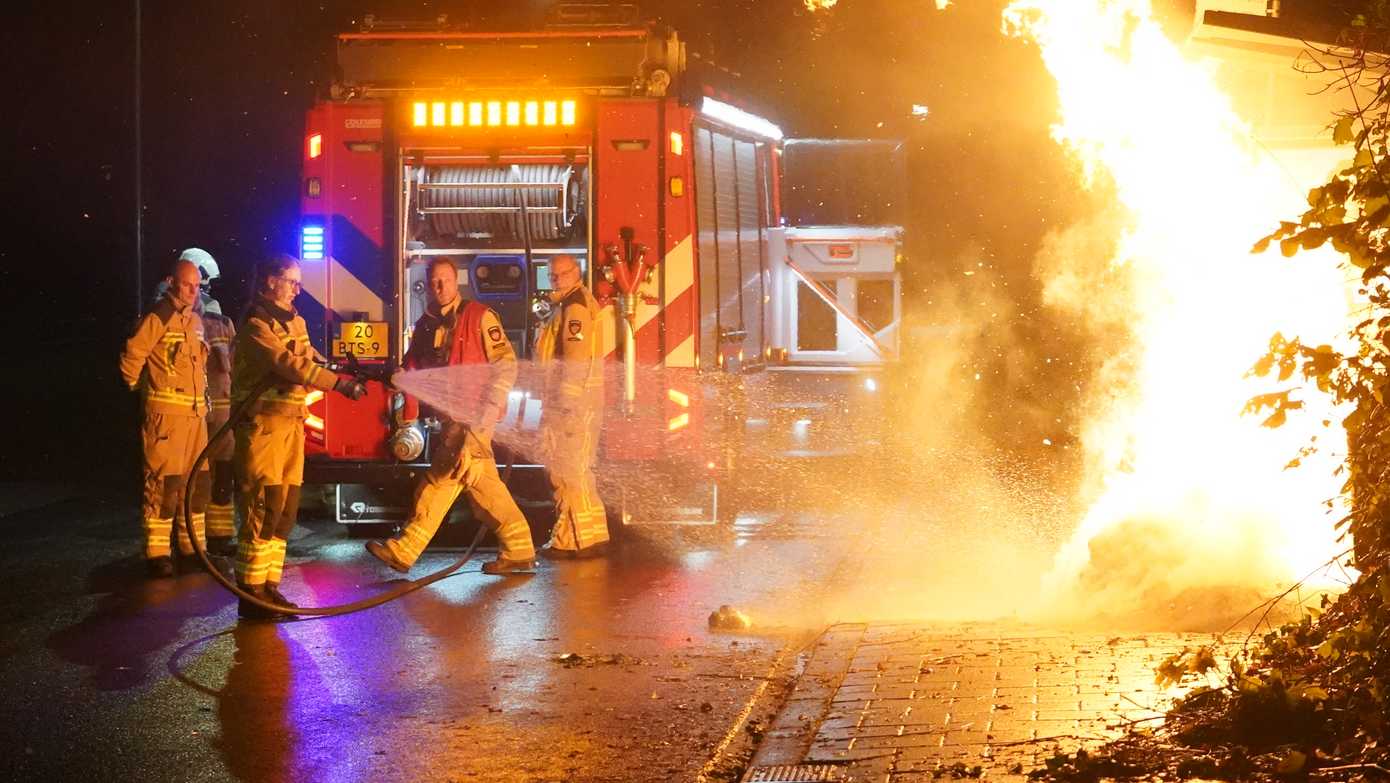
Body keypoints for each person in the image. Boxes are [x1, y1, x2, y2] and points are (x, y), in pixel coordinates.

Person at [366, 258, 536, 575]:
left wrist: (492, 404)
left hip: (474, 417)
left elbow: (505, 363)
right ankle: (520, 548)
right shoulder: (427, 323)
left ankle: (405, 550)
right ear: (429, 285)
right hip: (451, 419)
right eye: (434, 282)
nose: (439, 286)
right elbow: (414, 364)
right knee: (484, 486)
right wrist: (401, 375)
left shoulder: (480, 317)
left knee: (440, 480)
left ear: (455, 280)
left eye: (445, 280)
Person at [231, 254, 366, 620]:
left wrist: (343, 369)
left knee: (284, 510)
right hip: (263, 429)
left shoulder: (296, 322)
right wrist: (338, 384)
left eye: (298, 281)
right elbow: (289, 365)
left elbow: (309, 358)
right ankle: (251, 593)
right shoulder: (257, 325)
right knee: (262, 507)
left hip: (290, 426)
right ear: (270, 282)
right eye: (291, 281)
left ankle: (269, 588)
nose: (297, 288)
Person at [120, 259, 212, 578]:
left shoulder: (196, 321)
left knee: (196, 484)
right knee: (163, 484)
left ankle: (192, 547)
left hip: (195, 418)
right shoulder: (159, 316)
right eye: (187, 284)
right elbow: (132, 356)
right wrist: (143, 391)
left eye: (197, 286)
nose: (192, 291)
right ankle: (158, 553)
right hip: (167, 419)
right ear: (173, 282)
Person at [535, 254, 609, 558]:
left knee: (565, 471)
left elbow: (575, 358)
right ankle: (593, 537)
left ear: (576, 273)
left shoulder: (574, 306)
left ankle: (569, 542)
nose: (556, 280)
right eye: (552, 276)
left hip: (571, 404)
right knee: (578, 470)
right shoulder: (573, 303)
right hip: (581, 403)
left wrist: (565, 403)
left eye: (561, 275)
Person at [184, 249, 238, 553]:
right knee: (209, 477)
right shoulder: (214, 321)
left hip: (213, 413)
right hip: (211, 413)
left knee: (215, 477)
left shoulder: (210, 320)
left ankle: (214, 537)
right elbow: (229, 364)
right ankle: (206, 539)